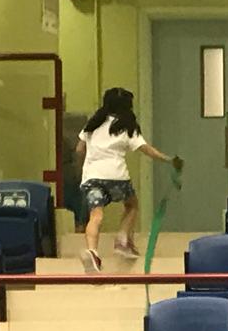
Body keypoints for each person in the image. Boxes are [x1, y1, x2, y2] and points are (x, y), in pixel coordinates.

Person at [75, 87, 181, 272]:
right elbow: (146, 149)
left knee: (96, 215)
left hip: (92, 176)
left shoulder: (92, 124)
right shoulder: (127, 126)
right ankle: (122, 240)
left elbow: (79, 149)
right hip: (116, 176)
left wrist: (85, 167)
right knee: (132, 205)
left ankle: (93, 251)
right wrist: (168, 160)